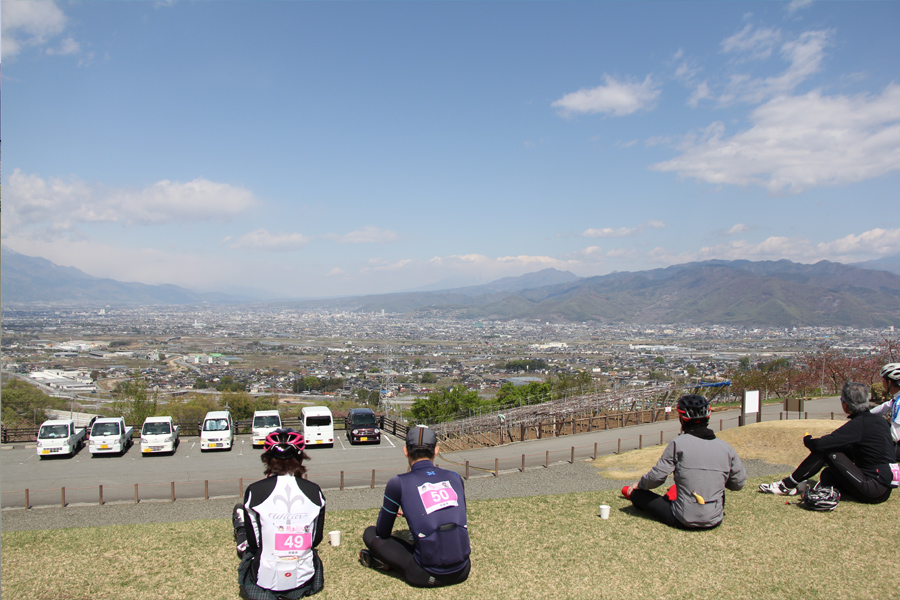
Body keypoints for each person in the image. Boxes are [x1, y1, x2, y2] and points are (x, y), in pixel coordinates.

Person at [360, 425, 471, 588]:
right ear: (436, 451)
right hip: (463, 570)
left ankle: (384, 564)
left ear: (406, 451)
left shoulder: (398, 483)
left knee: (370, 534)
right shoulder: (454, 478)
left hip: (424, 574)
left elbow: (382, 532)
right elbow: (450, 513)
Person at [622, 394, 746, 529]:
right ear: (708, 416)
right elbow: (737, 484)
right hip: (715, 519)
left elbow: (656, 478)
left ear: (682, 419)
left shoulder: (678, 444)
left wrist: (639, 484)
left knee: (636, 494)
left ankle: (634, 493)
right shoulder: (726, 448)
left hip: (682, 519)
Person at [759, 381, 896, 504]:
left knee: (827, 451)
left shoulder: (859, 424)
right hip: (883, 487)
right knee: (828, 474)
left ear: (846, 405)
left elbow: (821, 445)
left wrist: (808, 440)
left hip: (873, 487)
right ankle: (812, 489)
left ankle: (786, 485)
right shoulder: (880, 421)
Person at [233, 429, 325, 600]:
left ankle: (239, 527)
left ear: (267, 460)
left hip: (265, 579)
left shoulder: (254, 491)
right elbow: (315, 539)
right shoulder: (315, 491)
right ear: (300, 458)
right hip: (304, 578)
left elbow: (255, 542)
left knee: (248, 542)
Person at [870, 362, 900, 461]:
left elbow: (895, 436)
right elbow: (885, 406)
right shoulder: (897, 399)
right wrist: (864, 415)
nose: (882, 384)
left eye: (883, 381)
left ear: (889, 382)